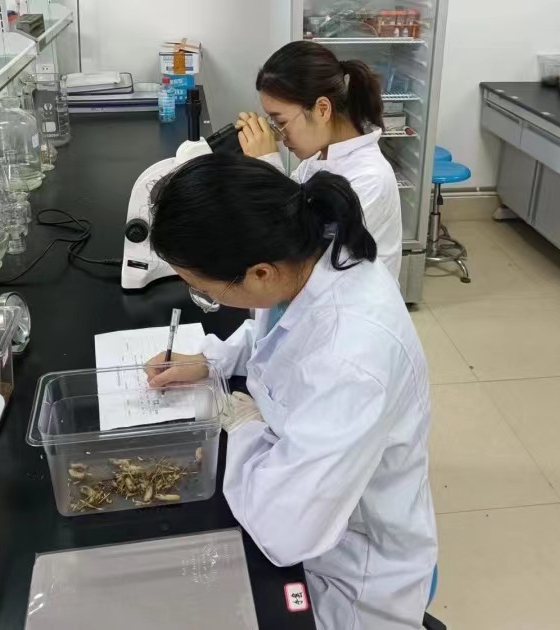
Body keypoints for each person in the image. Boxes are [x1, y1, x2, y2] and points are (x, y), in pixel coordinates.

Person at [145, 153, 437, 630]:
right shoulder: (302, 254)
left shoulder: (351, 360)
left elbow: (284, 530)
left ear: (260, 273)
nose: (211, 300)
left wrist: (244, 427)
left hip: (346, 579)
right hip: (311, 506)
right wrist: (212, 359)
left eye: (207, 291)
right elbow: (276, 329)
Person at [235, 40, 403, 282]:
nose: (279, 136)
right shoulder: (319, 158)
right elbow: (294, 207)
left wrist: (266, 168)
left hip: (350, 299)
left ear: (322, 109)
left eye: (281, 122)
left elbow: (304, 258)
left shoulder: (370, 178)